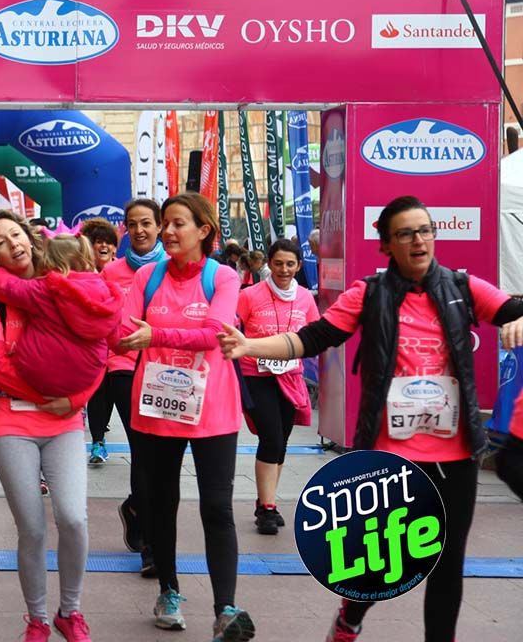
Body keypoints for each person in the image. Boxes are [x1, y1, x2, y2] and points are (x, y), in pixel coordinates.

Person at [218, 196, 523, 642]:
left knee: (447, 561)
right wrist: (249, 347)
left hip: (455, 453)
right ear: (387, 245)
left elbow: (514, 309)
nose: (419, 240)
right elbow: (312, 338)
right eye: (406, 233)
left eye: (425, 230)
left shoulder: (461, 287)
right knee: (378, 558)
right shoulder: (371, 294)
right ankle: (350, 618)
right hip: (391, 453)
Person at [0, 210, 98, 641]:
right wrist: (46, 393)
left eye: (16, 235)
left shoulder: (63, 280)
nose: (14, 244)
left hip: (64, 419)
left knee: (73, 518)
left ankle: (71, 611)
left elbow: (94, 349)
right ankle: (39, 618)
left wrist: (76, 399)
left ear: (30, 237)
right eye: (1, 243)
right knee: (31, 526)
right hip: (10, 419)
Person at [114, 192, 253, 641]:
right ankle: (169, 590)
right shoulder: (147, 277)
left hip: (212, 408)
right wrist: (139, 336)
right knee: (161, 503)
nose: (167, 232)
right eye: (165, 223)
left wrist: (155, 334)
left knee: (217, 506)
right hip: (155, 407)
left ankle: (225, 609)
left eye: (177, 224)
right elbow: (121, 330)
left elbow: (214, 333)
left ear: (204, 230)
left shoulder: (224, 277)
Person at [0, 234, 123, 480]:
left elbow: (5, 286)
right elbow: (115, 343)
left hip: (36, 375)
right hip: (78, 386)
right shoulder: (106, 292)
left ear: (54, 265)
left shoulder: (49, 289)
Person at [96, 198, 165, 577]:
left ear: (159, 227)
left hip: (168, 369)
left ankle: (138, 506)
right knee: (142, 443)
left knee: (157, 449)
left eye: (146, 224)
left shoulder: (173, 270)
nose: (139, 230)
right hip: (123, 365)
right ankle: (152, 549)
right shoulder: (111, 272)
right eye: (132, 224)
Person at [235, 239, 319, 535]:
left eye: (290, 264)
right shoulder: (249, 295)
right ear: (269, 263)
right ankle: (267, 509)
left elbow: (314, 334)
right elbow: (232, 328)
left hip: (291, 377)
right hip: (255, 375)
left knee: (280, 441)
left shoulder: (307, 298)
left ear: (298, 266)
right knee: (270, 437)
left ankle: (266, 498)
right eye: (279, 263)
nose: (284, 269)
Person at [80, 217, 122, 466]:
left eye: (109, 242)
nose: (104, 246)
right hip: (93, 348)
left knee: (117, 396)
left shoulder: (126, 271)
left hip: (123, 348)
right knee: (98, 394)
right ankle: (97, 442)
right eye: (98, 242)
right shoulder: (81, 274)